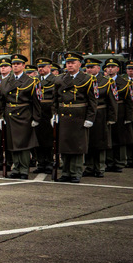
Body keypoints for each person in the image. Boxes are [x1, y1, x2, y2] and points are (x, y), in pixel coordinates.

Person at [51, 52, 97, 183]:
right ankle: (65, 172)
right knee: (64, 146)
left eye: (73, 63)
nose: (70, 65)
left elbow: (93, 101)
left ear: (79, 64)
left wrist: (90, 118)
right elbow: (55, 99)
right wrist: (54, 114)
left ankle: (76, 172)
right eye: (68, 63)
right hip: (64, 115)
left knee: (77, 146)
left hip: (79, 116)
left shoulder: (88, 79)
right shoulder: (59, 79)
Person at [0, 54, 42, 179]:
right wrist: (1, 116)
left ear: (23, 66)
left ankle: (24, 170)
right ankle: (16, 168)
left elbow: (36, 101)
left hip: (24, 114)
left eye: (18, 64)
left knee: (24, 144)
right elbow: (1, 101)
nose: (15, 66)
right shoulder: (5, 81)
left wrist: (36, 118)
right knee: (13, 143)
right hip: (10, 114)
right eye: (13, 64)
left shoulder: (31, 81)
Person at [83, 58, 117, 177]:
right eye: (87, 67)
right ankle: (89, 167)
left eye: (92, 67)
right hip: (87, 114)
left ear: (98, 68)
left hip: (101, 114)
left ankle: (100, 167)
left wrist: (112, 117)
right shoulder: (83, 80)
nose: (89, 70)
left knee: (100, 142)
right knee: (88, 141)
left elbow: (113, 101)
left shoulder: (107, 81)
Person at [105, 58, 133, 171]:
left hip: (120, 112)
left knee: (120, 138)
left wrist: (129, 117)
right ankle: (109, 162)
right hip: (107, 111)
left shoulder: (125, 83)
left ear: (117, 69)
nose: (110, 69)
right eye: (108, 67)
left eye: (112, 67)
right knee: (109, 138)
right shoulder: (103, 81)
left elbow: (129, 101)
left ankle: (120, 162)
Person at [33, 57, 58, 174]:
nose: (40, 69)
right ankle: (41, 163)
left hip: (48, 112)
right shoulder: (35, 80)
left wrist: (55, 113)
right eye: (39, 67)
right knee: (38, 139)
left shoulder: (55, 80)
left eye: (43, 67)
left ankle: (49, 162)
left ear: (49, 67)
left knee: (49, 140)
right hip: (37, 112)